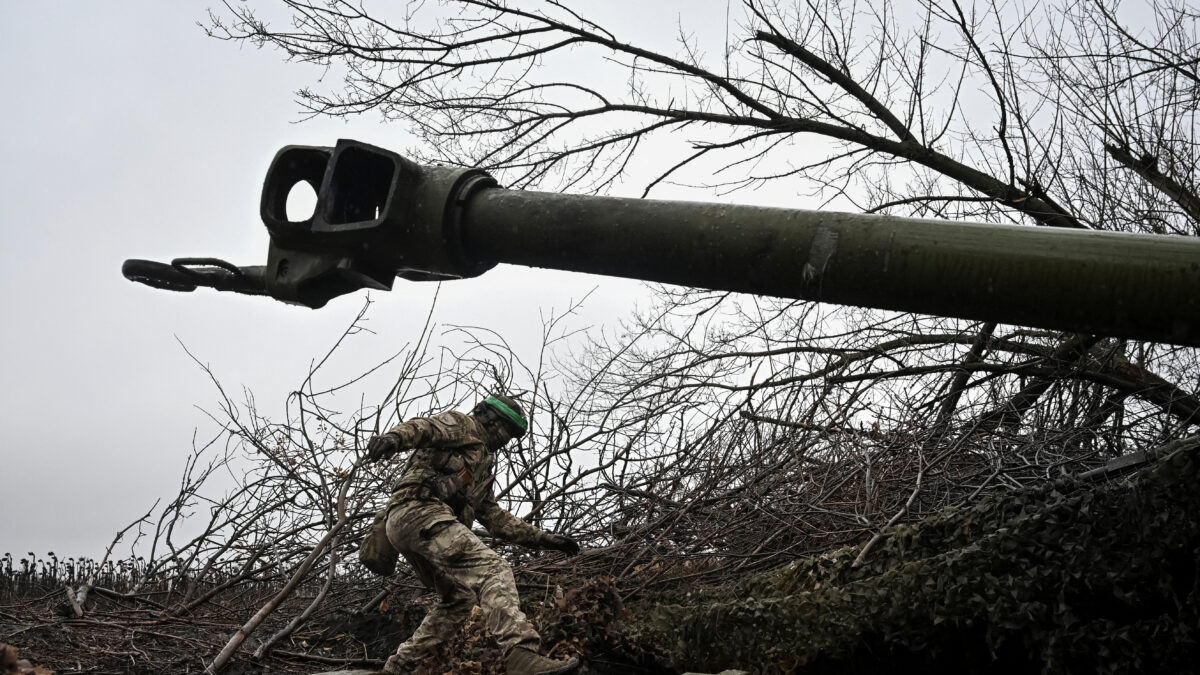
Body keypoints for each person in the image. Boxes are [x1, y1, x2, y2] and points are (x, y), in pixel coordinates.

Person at [366, 394, 581, 675]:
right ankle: (520, 654)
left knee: (460, 598)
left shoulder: (482, 465)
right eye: (506, 430)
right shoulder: (463, 424)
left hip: (414, 524)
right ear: (489, 417)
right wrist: (393, 439)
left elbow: (492, 515)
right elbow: (424, 427)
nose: (506, 439)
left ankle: (400, 667)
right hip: (419, 510)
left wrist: (542, 538)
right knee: (493, 569)